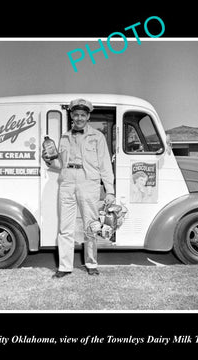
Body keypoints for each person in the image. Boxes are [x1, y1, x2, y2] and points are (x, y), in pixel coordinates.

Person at [42, 98, 115, 278]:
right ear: (71, 116)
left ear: (88, 116)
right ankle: (65, 267)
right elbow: (60, 164)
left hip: (88, 181)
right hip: (67, 181)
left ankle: (91, 263)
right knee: (65, 227)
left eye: (83, 115)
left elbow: (105, 165)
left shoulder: (97, 137)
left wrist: (110, 190)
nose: (79, 118)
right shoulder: (64, 137)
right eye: (76, 115)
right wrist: (48, 158)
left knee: (91, 225)